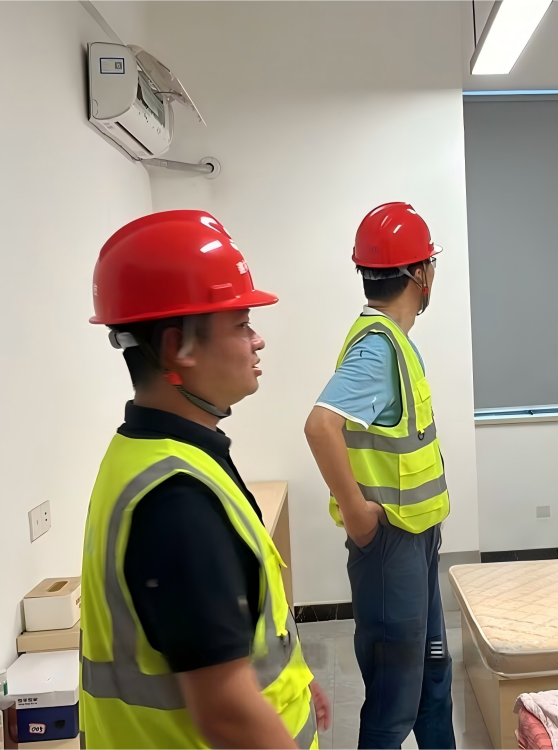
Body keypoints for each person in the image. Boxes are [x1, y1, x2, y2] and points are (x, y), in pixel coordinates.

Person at [79, 210, 330, 750]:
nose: (257, 340)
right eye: (241, 324)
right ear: (178, 349)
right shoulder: (176, 501)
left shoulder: (151, 454)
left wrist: (298, 680)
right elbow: (228, 714)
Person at [305, 202, 454, 750]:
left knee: (433, 681)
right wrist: (358, 515)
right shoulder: (377, 348)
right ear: (419, 273)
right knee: (395, 707)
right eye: (431, 263)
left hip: (418, 539)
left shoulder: (394, 340)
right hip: (391, 546)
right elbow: (320, 426)